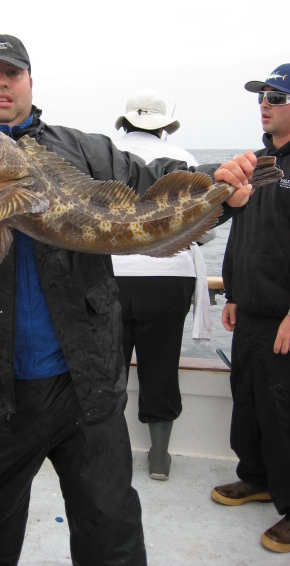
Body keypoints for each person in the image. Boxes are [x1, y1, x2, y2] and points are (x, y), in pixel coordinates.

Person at [0, 33, 257, 566]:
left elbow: (150, 188)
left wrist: (220, 191)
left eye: (11, 73)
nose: (1, 83)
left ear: (31, 82)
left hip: (87, 388)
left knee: (112, 534)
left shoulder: (86, 149)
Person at [112, 88, 214, 481]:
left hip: (114, 277)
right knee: (161, 365)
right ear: (164, 127)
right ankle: (159, 457)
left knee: (109, 369)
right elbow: (202, 232)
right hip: (169, 280)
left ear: (125, 122)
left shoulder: (105, 153)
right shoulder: (186, 160)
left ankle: (112, 452)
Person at [211, 64, 290, 553]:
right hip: (253, 310)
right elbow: (241, 230)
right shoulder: (257, 163)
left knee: (285, 411)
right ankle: (258, 477)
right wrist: (235, 290)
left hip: (286, 318)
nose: (265, 103)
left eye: (277, 96)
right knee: (252, 401)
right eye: (262, 95)